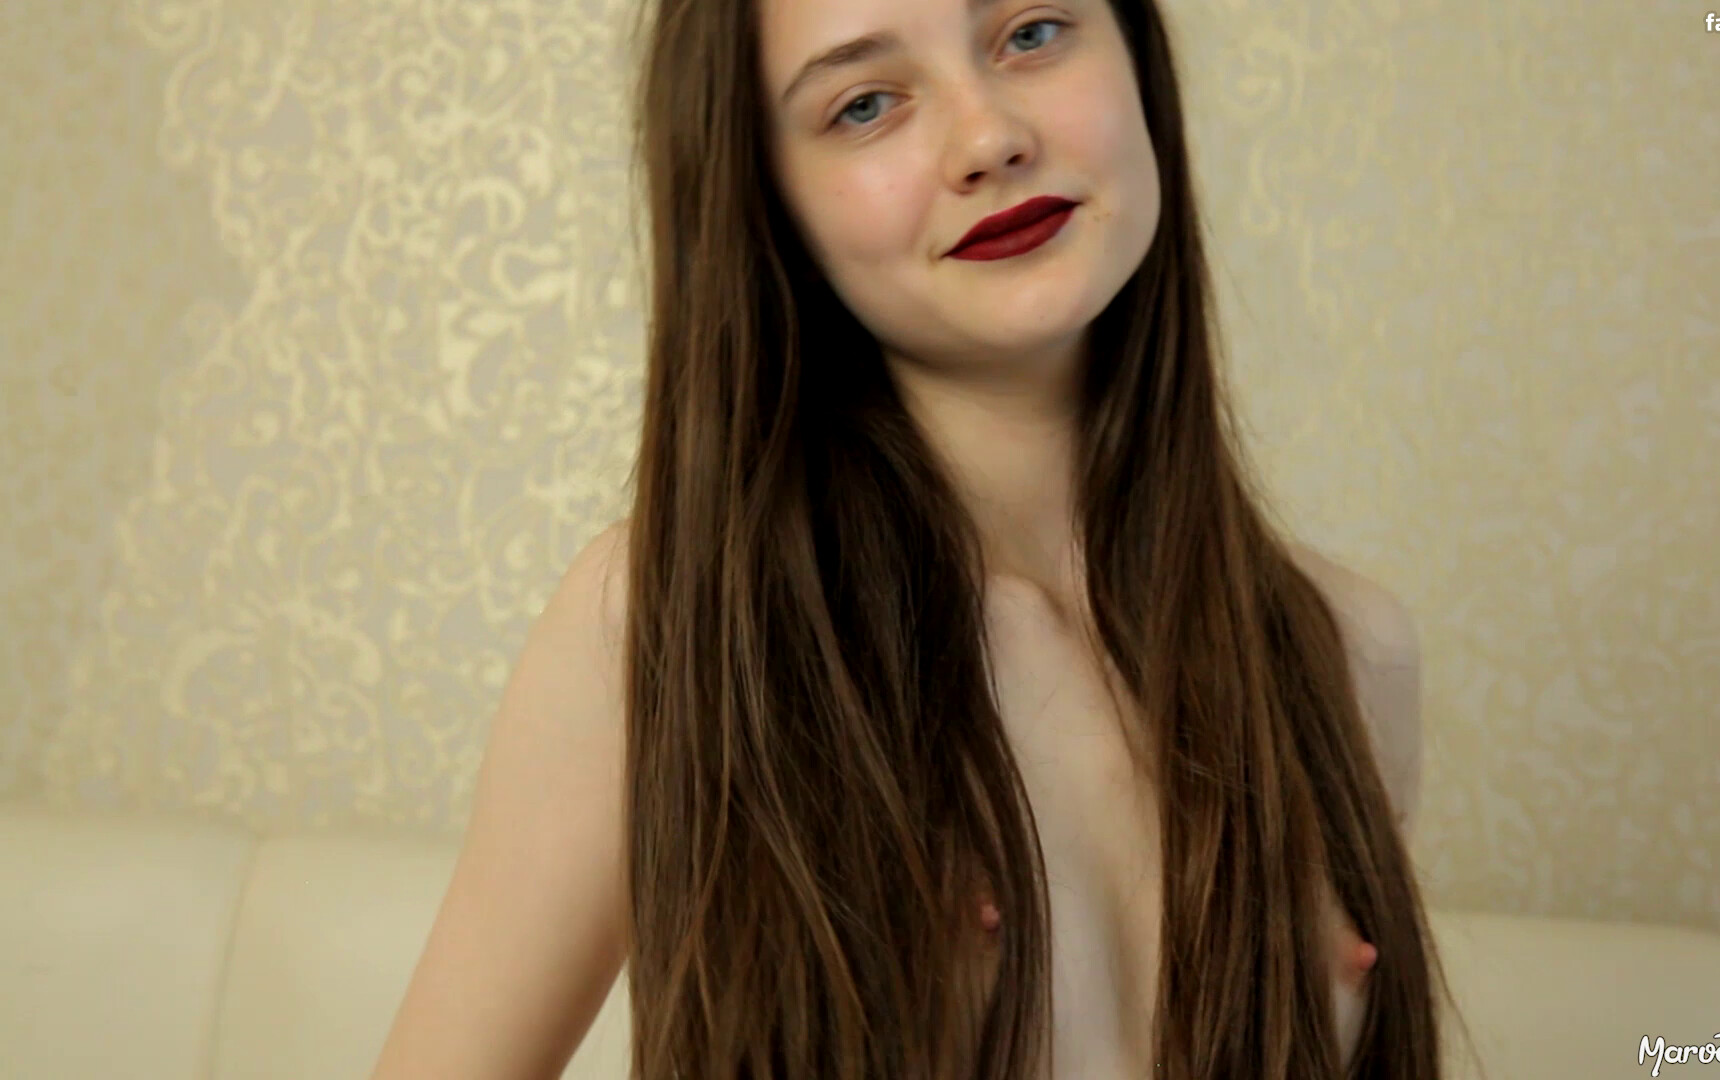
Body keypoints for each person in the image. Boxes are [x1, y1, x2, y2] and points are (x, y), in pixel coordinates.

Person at [372, 0, 1463, 1076]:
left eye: (1031, 34)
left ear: (1139, 58)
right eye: (864, 104)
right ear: (771, 204)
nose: (989, 138)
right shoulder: (664, 632)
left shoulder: (1352, 647)